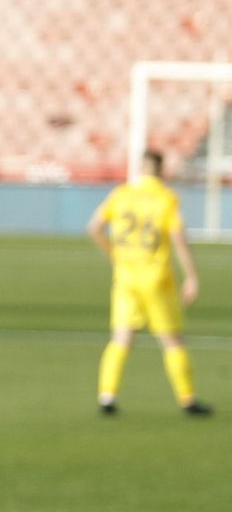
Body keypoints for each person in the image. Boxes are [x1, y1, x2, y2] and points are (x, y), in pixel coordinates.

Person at [89, 149, 211, 417]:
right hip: (156, 278)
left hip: (125, 277)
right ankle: (187, 399)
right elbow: (178, 237)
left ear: (140, 168)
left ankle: (107, 396)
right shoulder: (165, 198)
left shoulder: (121, 194)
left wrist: (114, 254)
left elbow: (94, 227)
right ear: (161, 170)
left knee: (121, 338)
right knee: (172, 340)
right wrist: (191, 275)